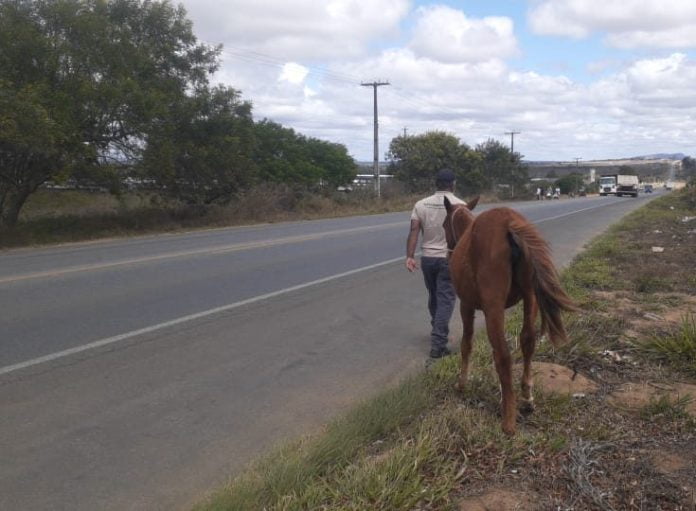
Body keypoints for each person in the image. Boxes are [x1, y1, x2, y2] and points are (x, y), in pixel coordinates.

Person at [405, 168, 466, 359]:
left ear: (436, 184)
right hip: (449, 257)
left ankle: (437, 329)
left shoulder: (421, 204)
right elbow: (466, 237)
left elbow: (414, 230)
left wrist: (410, 256)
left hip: (428, 258)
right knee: (446, 299)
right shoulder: (461, 205)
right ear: (453, 184)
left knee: (434, 296)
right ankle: (438, 344)